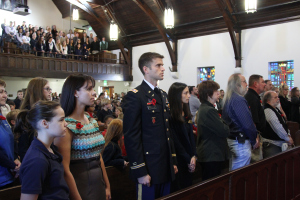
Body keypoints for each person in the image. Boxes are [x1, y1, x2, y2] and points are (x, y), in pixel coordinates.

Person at [123, 52, 178, 199]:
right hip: (148, 167)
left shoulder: (163, 95)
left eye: (162, 65)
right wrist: (140, 171)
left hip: (165, 165)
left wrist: (172, 161)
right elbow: (131, 136)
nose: (163, 68)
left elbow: (167, 132)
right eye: (158, 65)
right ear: (146, 69)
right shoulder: (135, 96)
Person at [54, 74, 111, 200]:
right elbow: (64, 169)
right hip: (80, 186)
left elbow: (99, 156)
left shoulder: (92, 121)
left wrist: (107, 185)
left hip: (98, 183)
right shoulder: (66, 126)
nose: (94, 93)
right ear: (75, 93)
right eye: (89, 89)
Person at [19, 101, 69, 200]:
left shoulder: (50, 149)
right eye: (61, 120)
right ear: (45, 123)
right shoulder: (37, 160)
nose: (66, 124)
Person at [222, 73, 259, 171]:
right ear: (237, 85)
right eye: (244, 82)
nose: (246, 84)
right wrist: (254, 139)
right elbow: (247, 124)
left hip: (234, 140)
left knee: (235, 171)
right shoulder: (238, 99)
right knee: (239, 174)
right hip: (240, 142)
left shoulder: (229, 98)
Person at [196, 80, 229, 181]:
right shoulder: (208, 110)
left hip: (211, 154)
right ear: (208, 94)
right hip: (211, 154)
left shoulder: (207, 108)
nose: (218, 93)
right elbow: (225, 131)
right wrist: (225, 124)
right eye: (216, 91)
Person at [168, 82, 197, 191]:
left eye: (188, 93)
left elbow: (190, 137)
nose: (189, 95)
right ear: (176, 95)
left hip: (189, 158)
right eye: (185, 93)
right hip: (179, 160)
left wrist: (194, 155)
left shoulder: (185, 111)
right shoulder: (171, 116)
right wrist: (188, 159)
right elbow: (176, 141)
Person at [0, 80, 21, 190]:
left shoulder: (2, 118)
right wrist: (13, 166)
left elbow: (10, 140)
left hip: (9, 174)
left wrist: (15, 158)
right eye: (1, 92)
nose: (5, 96)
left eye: (5, 92)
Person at [262, 91, 294, 158]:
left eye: (278, 97)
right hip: (272, 144)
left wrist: (288, 134)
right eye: (275, 97)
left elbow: (283, 123)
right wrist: (287, 138)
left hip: (278, 143)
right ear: (268, 100)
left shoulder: (275, 108)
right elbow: (277, 127)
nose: (278, 99)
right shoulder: (268, 110)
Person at [244, 75, 266, 162]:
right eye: (263, 82)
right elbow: (252, 120)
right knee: (256, 163)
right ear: (255, 84)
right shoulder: (252, 98)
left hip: (255, 135)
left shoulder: (254, 96)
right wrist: (255, 137)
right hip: (254, 137)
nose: (265, 84)